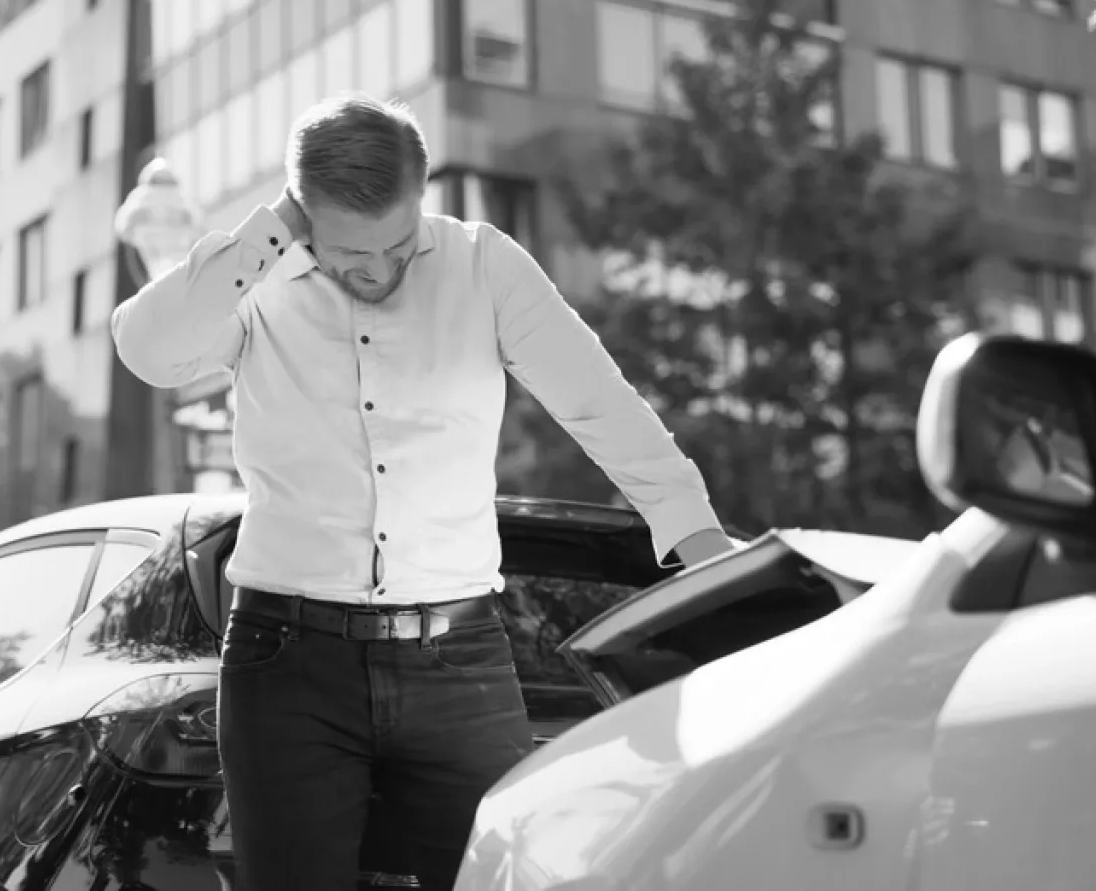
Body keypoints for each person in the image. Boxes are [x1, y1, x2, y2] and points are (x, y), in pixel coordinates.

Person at [110, 94, 735, 891]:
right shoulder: (257, 282)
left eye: (398, 245)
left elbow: (600, 405)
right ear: (301, 215)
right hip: (287, 666)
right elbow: (148, 350)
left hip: (460, 664)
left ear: (423, 197)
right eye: (347, 253)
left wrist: (698, 541)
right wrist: (272, 230)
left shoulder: (484, 265)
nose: (377, 270)